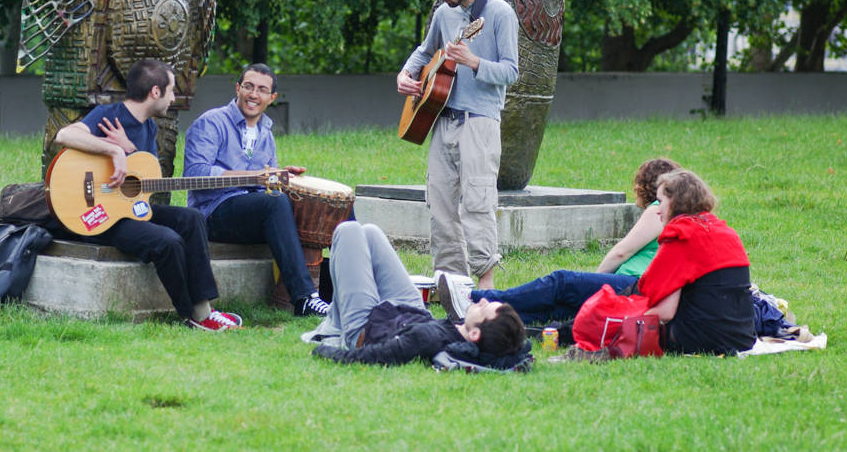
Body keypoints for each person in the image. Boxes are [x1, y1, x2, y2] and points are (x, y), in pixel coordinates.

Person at [54, 58, 241, 331]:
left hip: (128, 209)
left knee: (192, 219)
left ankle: (205, 309)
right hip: (98, 215)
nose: (173, 98)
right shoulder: (109, 114)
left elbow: (146, 178)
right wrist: (113, 150)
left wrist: (128, 148)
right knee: (167, 241)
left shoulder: (150, 127)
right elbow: (65, 135)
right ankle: (190, 315)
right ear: (155, 92)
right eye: (172, 91)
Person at [397, 0, 519, 290]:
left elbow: (511, 71)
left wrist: (474, 61)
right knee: (440, 204)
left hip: (479, 121)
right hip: (441, 118)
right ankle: (451, 282)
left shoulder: (499, 14)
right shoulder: (444, 13)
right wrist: (406, 73)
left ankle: (486, 283)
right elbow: (425, 51)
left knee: (478, 202)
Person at [439, 157, 681, 324]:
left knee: (562, 281)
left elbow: (622, 252)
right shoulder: (670, 212)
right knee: (555, 309)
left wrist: (596, 279)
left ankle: (479, 298)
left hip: (632, 283)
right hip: (635, 284)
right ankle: (481, 317)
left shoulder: (658, 209)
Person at [183, 63, 330, 316]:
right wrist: (256, 177)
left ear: (271, 98)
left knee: (329, 204)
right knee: (274, 204)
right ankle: (305, 298)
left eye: (262, 90)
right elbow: (195, 174)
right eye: (248, 87)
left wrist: (281, 178)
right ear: (238, 88)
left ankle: (352, 287)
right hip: (213, 212)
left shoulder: (265, 132)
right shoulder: (211, 122)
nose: (254, 94)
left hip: (254, 211)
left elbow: (265, 185)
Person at [307, 221, 526, 367]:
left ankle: (336, 327)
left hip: (366, 326)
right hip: (412, 311)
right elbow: (522, 348)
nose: (484, 300)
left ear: (476, 334)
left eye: (484, 308)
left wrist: (323, 352)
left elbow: (369, 358)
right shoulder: (472, 341)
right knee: (370, 233)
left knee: (348, 231)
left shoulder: (425, 340)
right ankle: (335, 320)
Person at [640, 170, 756, 355]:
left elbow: (665, 312)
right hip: (742, 336)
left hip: (701, 338)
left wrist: (624, 321)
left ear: (675, 201)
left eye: (660, 202)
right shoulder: (725, 231)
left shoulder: (681, 235)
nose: (657, 209)